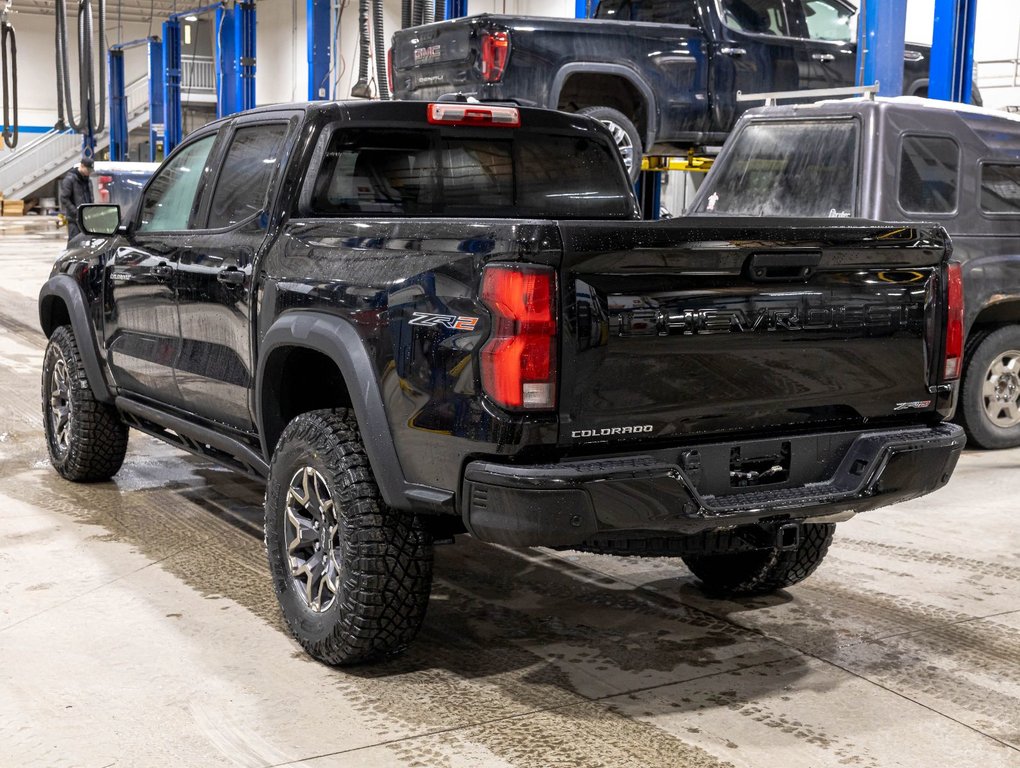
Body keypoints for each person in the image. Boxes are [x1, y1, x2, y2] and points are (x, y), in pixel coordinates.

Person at [59, 156, 94, 241]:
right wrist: (76, 211)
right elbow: (64, 198)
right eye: (88, 170)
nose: (89, 172)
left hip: (86, 218)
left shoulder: (87, 180)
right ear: (82, 166)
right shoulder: (70, 179)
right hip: (74, 219)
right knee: (74, 241)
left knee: (85, 242)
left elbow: (90, 197)